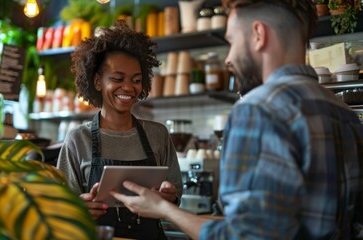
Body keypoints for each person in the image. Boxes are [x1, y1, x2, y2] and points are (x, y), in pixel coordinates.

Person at [111, 0, 363, 239]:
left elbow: (240, 236)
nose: (229, 58)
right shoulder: (345, 113)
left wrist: (164, 209)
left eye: (232, 41)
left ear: (258, 35)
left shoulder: (257, 110)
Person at [56, 20, 182, 240]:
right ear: (97, 81)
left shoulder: (158, 134)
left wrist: (169, 197)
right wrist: (80, 207)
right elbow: (61, 207)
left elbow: (175, 195)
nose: (128, 87)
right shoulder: (79, 139)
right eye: (117, 79)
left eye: (136, 80)